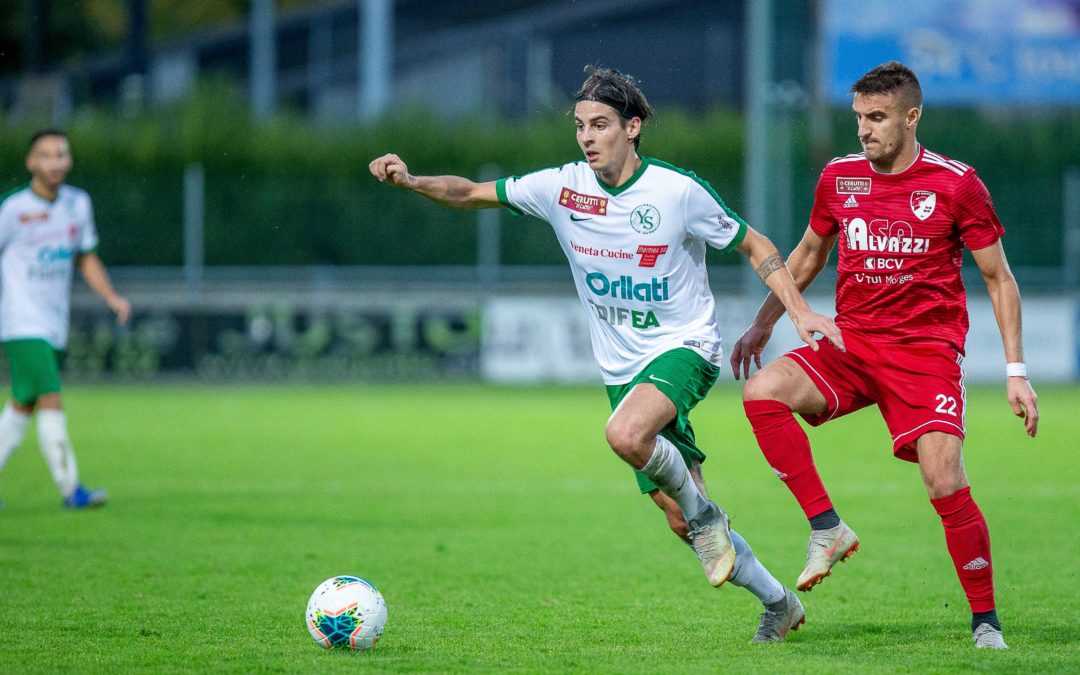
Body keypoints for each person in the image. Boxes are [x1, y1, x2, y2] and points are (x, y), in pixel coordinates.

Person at [371, 66, 845, 643]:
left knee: (625, 437)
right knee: (677, 517)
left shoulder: (676, 191)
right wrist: (412, 180)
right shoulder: (562, 188)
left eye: (600, 125)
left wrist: (797, 313)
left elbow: (756, 244)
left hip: (684, 348)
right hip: (621, 368)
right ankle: (778, 602)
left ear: (633, 127)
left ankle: (707, 519)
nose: (587, 137)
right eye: (579, 126)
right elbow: (471, 193)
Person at [730, 61, 1039, 650]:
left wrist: (1016, 372)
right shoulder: (839, 178)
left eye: (877, 118)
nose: (864, 130)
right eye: (858, 118)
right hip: (852, 342)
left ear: (911, 117)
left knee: (943, 481)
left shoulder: (956, 183)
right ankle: (827, 527)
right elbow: (809, 254)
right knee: (762, 391)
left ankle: (985, 622)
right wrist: (762, 323)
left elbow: (999, 278)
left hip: (925, 355)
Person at [0, 129, 131, 509]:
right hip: (20, 322)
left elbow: (85, 257)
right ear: (31, 163)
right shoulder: (13, 210)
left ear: (68, 161)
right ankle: (70, 488)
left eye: (61, 154)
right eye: (46, 155)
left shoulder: (77, 204)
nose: (55, 162)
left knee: (22, 405)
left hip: (54, 323)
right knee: (51, 396)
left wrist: (111, 296)